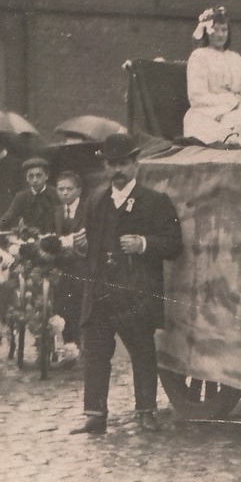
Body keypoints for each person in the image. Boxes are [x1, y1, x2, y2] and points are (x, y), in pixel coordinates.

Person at [70, 133, 184, 435]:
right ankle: (95, 414)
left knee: (142, 350)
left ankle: (146, 411)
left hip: (135, 291)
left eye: (123, 163)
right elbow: (88, 247)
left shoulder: (155, 202)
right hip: (100, 289)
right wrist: (81, 246)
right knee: (95, 350)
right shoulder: (94, 200)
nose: (117, 170)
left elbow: (174, 244)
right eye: (111, 164)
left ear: (136, 164)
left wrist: (144, 244)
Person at [181, 5, 241, 139]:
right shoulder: (199, 56)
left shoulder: (237, 59)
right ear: (207, 31)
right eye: (215, 30)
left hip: (236, 110)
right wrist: (230, 103)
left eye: (224, 30)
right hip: (206, 113)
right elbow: (197, 96)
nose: (220, 35)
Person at [49, 170, 88, 360]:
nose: (64, 193)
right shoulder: (56, 212)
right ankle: (66, 345)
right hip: (62, 265)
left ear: (79, 191)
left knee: (78, 301)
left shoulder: (87, 210)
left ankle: (78, 343)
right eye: (61, 189)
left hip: (82, 263)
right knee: (60, 301)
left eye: (69, 189)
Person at [0, 156, 59, 239]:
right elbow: (8, 215)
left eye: (39, 175)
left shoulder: (56, 194)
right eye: (31, 176)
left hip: (53, 240)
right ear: (27, 178)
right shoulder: (21, 196)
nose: (35, 180)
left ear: (46, 176)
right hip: (30, 240)